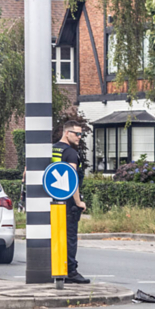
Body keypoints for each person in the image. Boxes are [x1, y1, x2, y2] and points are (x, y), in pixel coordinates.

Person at [52, 120, 89, 284]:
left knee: (55, 236)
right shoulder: (70, 153)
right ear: (67, 133)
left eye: (81, 134)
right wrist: (78, 201)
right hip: (67, 202)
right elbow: (71, 179)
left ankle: (57, 268)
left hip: (52, 199)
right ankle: (71, 271)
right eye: (77, 134)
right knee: (70, 237)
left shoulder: (52, 149)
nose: (79, 137)